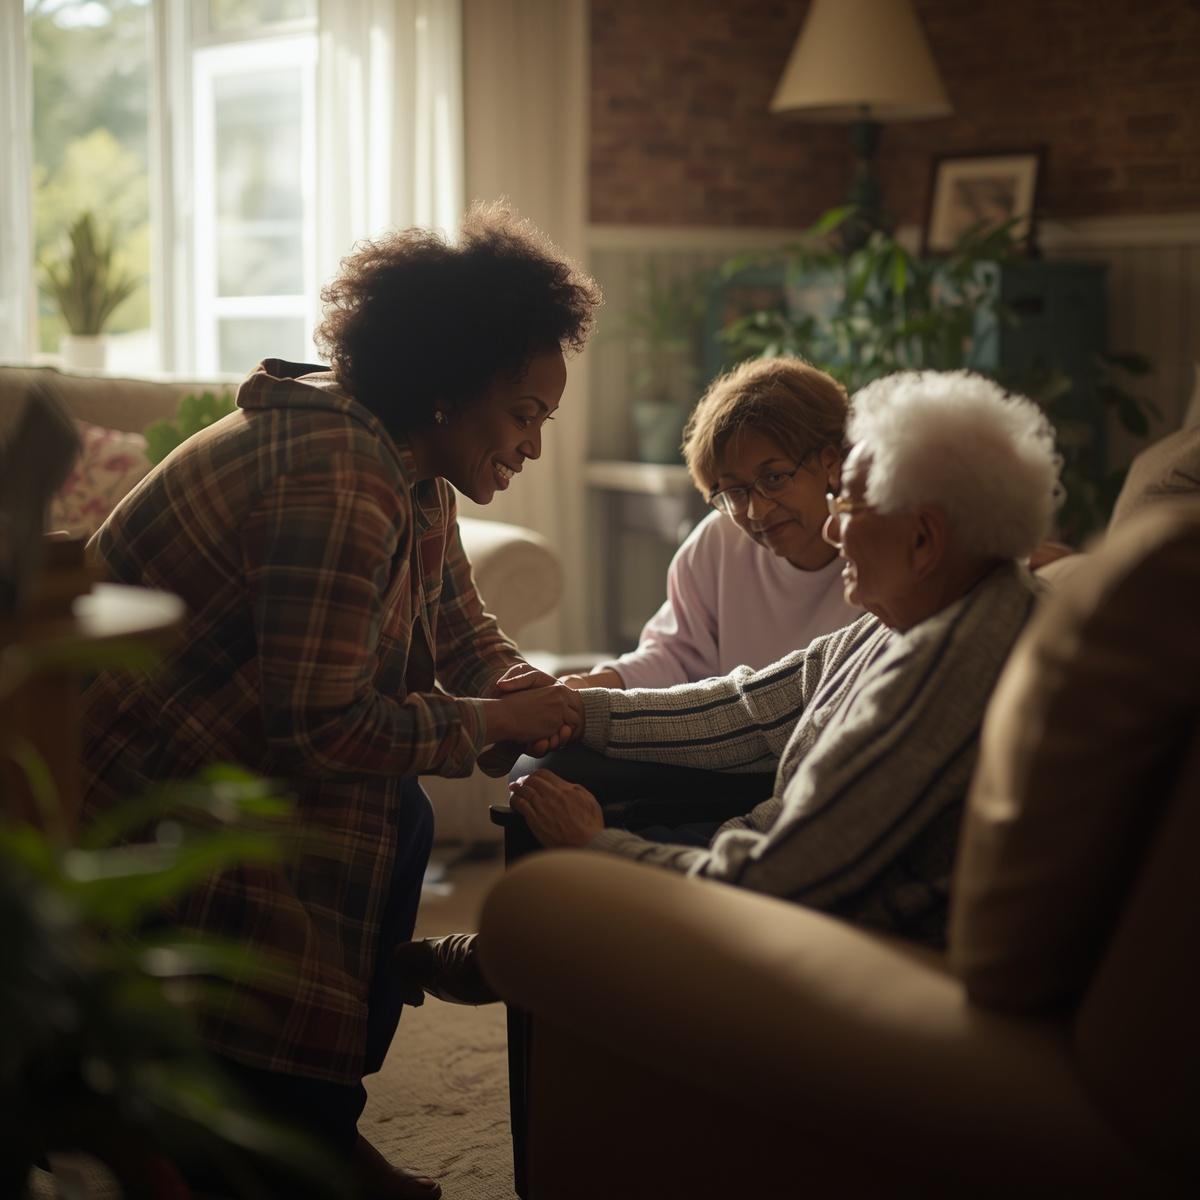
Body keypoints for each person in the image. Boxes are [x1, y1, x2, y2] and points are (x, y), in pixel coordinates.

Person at [79, 204, 599, 1199]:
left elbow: (460, 627)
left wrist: (513, 684)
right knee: (363, 817)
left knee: (394, 815)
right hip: (133, 787)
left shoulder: (408, 464)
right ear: (448, 388)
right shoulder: (338, 472)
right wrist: (492, 725)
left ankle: (320, 1123)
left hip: (220, 750)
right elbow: (323, 727)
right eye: (525, 412)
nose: (534, 444)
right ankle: (282, 1134)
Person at [404, 369, 1060, 1006]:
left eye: (850, 501)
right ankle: (518, 950)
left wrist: (599, 848)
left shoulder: (943, 666)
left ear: (924, 538)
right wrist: (580, 709)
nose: (833, 526)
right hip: (764, 854)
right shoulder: (910, 617)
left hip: (832, 934)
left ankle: (516, 953)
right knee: (571, 800)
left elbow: (776, 882)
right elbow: (751, 706)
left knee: (575, 862)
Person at [509, 356, 862, 818]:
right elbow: (673, 657)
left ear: (830, 463)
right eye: (733, 492)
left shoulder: (876, 558)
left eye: (774, 478)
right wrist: (582, 690)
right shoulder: (719, 542)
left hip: (806, 765)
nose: (755, 511)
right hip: (714, 753)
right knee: (545, 766)